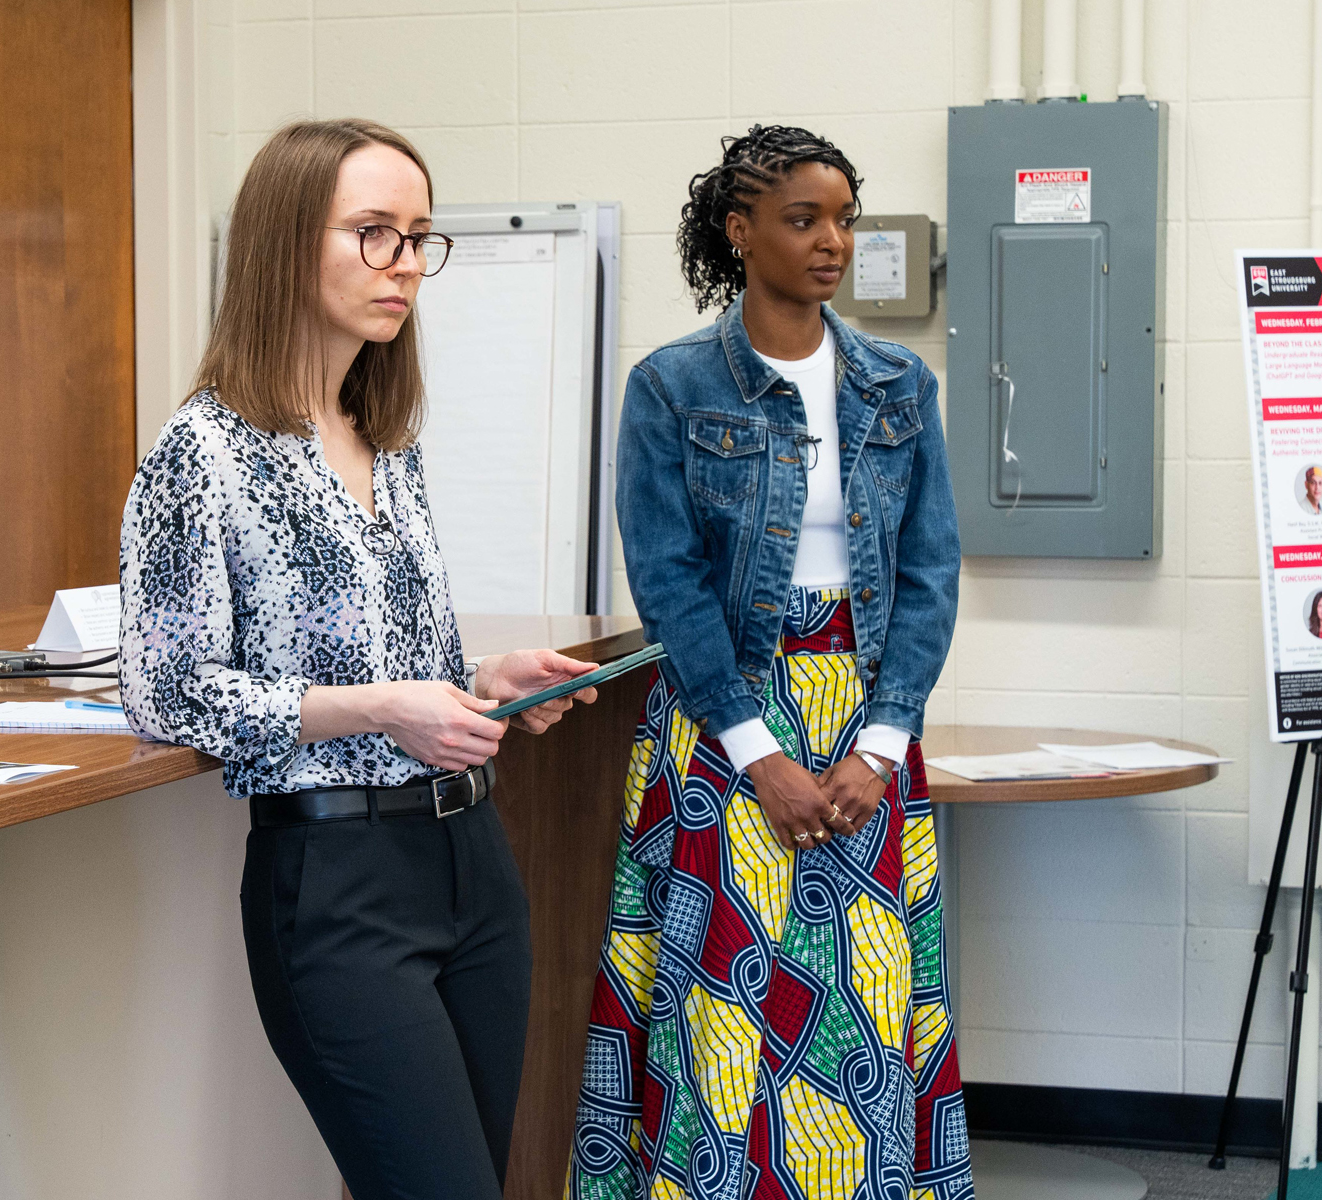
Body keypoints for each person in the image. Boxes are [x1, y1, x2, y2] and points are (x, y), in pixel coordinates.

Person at [118, 118, 600, 1200]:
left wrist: (482, 687)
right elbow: (166, 691)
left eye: (419, 238)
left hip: (473, 863)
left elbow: (399, 662)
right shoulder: (203, 451)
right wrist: (380, 708)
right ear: (287, 242)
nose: (404, 265)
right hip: (337, 881)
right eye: (374, 233)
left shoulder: (385, 437)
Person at [567, 126, 973, 1200]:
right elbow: (668, 584)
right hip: (723, 725)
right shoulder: (671, 386)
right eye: (803, 219)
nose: (832, 241)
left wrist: (880, 746)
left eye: (843, 219)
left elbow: (930, 570)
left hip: (865, 725)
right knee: (720, 1005)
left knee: (866, 1006)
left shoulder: (899, 383)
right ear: (739, 231)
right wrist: (758, 754)